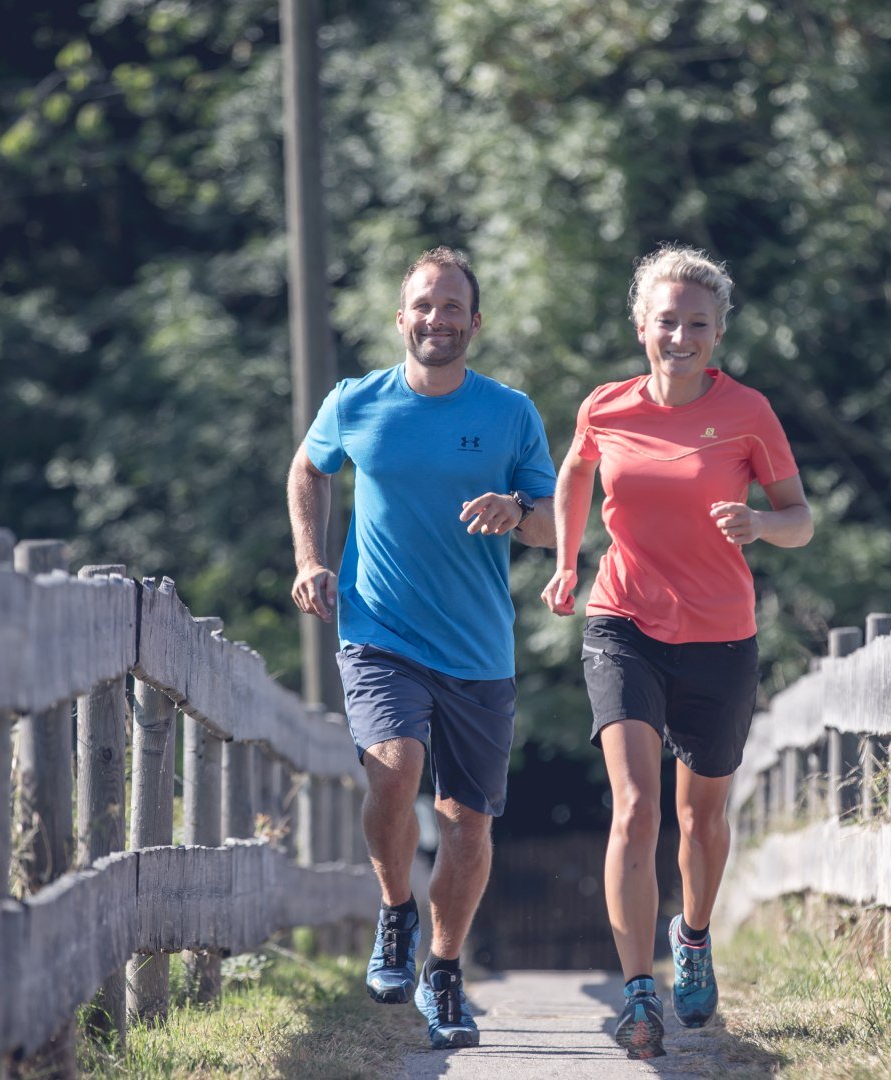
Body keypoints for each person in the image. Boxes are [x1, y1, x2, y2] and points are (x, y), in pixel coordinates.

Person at [541, 244, 812, 1059]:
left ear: (719, 332)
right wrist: (566, 560)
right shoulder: (606, 406)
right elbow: (573, 477)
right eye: (668, 322)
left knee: (702, 818)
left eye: (698, 323)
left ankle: (691, 936)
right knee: (636, 806)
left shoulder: (748, 413)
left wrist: (762, 525)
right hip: (622, 621)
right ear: (642, 327)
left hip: (721, 635)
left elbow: (800, 518)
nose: (681, 336)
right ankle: (637, 993)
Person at [288, 246, 557, 1050]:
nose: (436, 320)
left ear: (475, 323)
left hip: (478, 648)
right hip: (379, 632)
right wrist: (310, 558)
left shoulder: (510, 413)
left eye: (451, 309)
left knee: (467, 823)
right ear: (401, 317)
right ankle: (395, 913)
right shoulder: (356, 402)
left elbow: (556, 527)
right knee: (394, 767)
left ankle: (443, 973)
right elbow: (308, 468)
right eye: (423, 306)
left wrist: (516, 509)